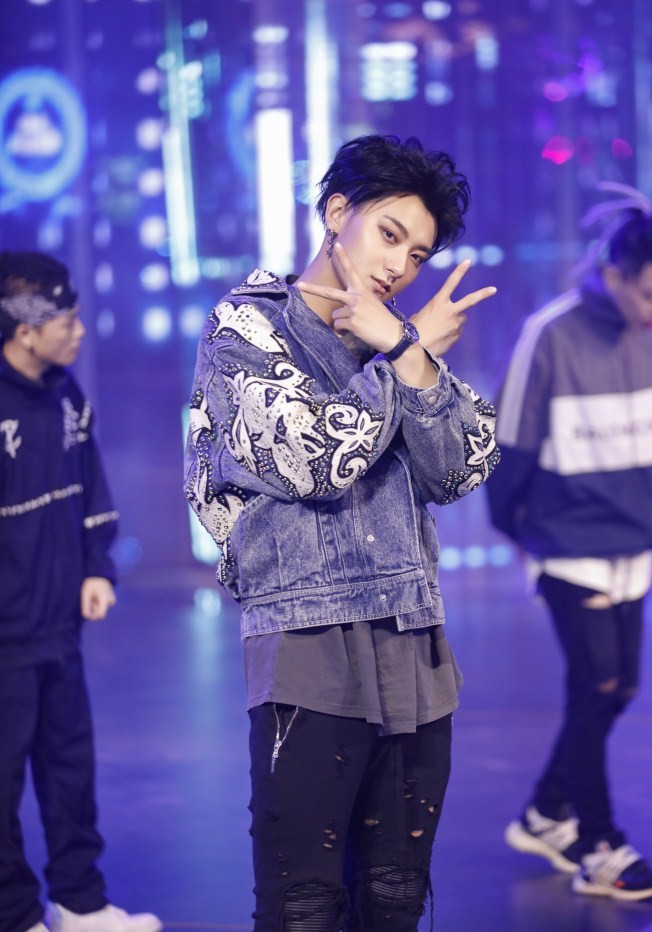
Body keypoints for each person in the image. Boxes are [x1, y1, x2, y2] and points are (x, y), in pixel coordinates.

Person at [185, 133, 499, 931]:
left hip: (412, 638)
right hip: (306, 642)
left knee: (396, 896)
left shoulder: (397, 339)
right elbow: (313, 461)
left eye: (417, 254)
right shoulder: (246, 329)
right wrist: (404, 355)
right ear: (336, 212)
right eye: (388, 234)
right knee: (302, 904)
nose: (398, 266)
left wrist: (403, 349)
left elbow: (460, 468)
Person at [486, 186, 652, 901]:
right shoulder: (549, 334)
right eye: (647, 294)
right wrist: (517, 530)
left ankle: (545, 813)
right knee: (598, 687)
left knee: (619, 691)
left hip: (634, 542)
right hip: (568, 541)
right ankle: (598, 846)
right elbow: (508, 448)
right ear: (613, 274)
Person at [0, 252, 161, 932]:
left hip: (60, 629)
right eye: (66, 320)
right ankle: (15, 915)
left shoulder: (66, 395)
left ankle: (80, 903)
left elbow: (92, 489)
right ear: (24, 330)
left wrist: (97, 567)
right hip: (4, 642)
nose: (80, 330)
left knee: (71, 772)